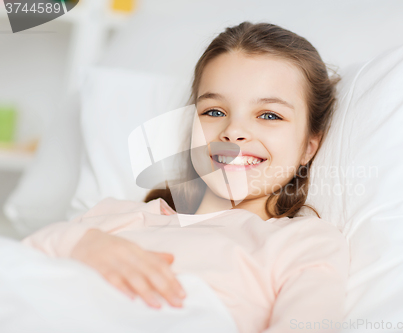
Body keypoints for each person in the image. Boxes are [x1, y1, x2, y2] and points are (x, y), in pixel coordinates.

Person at [21, 21, 349, 333]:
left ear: (308, 146)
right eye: (214, 112)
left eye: (269, 115)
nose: (233, 131)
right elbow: (18, 270)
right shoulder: (112, 217)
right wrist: (78, 242)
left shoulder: (302, 243)